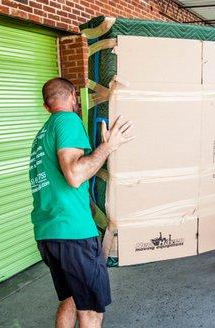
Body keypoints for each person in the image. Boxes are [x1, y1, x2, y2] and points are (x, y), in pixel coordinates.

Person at [29, 77, 133, 328]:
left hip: (49, 234)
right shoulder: (68, 120)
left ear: (46, 106)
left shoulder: (43, 134)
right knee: (91, 313)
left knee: (71, 300)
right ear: (74, 96)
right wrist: (108, 147)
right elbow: (74, 175)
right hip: (73, 234)